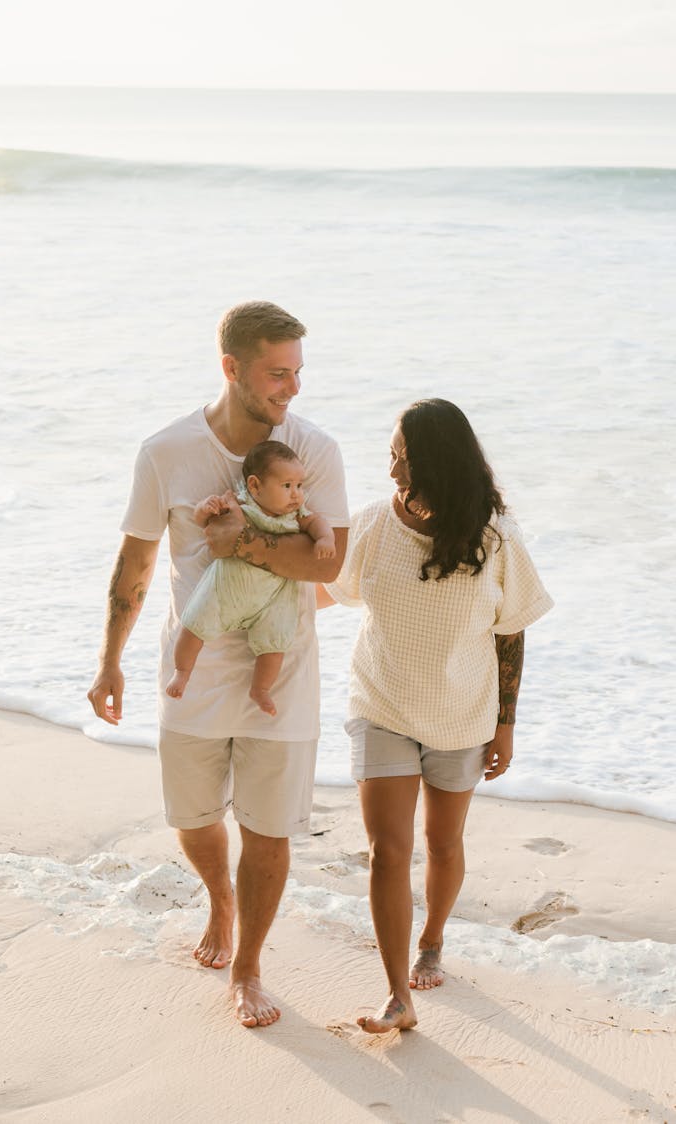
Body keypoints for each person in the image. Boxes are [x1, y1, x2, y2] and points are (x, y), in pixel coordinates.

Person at [87, 301, 349, 1028]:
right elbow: (136, 560)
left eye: (297, 373)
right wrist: (109, 660)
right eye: (276, 374)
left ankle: (249, 966)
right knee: (195, 818)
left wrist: (242, 547)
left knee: (268, 831)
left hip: (281, 675)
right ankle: (220, 899)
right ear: (231, 368)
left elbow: (333, 556)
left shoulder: (315, 451)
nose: (291, 389)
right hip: (192, 670)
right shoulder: (167, 452)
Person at [318, 398, 552, 1034]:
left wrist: (506, 723)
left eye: (402, 458)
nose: (391, 469)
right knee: (387, 852)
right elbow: (323, 589)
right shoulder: (372, 524)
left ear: (437, 464)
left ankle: (433, 940)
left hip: (462, 716)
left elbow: (512, 633)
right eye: (392, 455)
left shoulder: (496, 539)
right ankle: (398, 995)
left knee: (442, 844)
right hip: (382, 704)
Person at [166, 439, 336, 716]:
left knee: (274, 643)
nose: (296, 494)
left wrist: (325, 539)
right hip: (228, 588)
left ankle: (261, 689)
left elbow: (317, 523)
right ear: (255, 486)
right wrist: (204, 509)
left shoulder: (297, 513)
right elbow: (202, 521)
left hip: (274, 596)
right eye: (286, 486)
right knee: (194, 623)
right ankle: (182, 671)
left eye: (299, 486)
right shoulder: (240, 502)